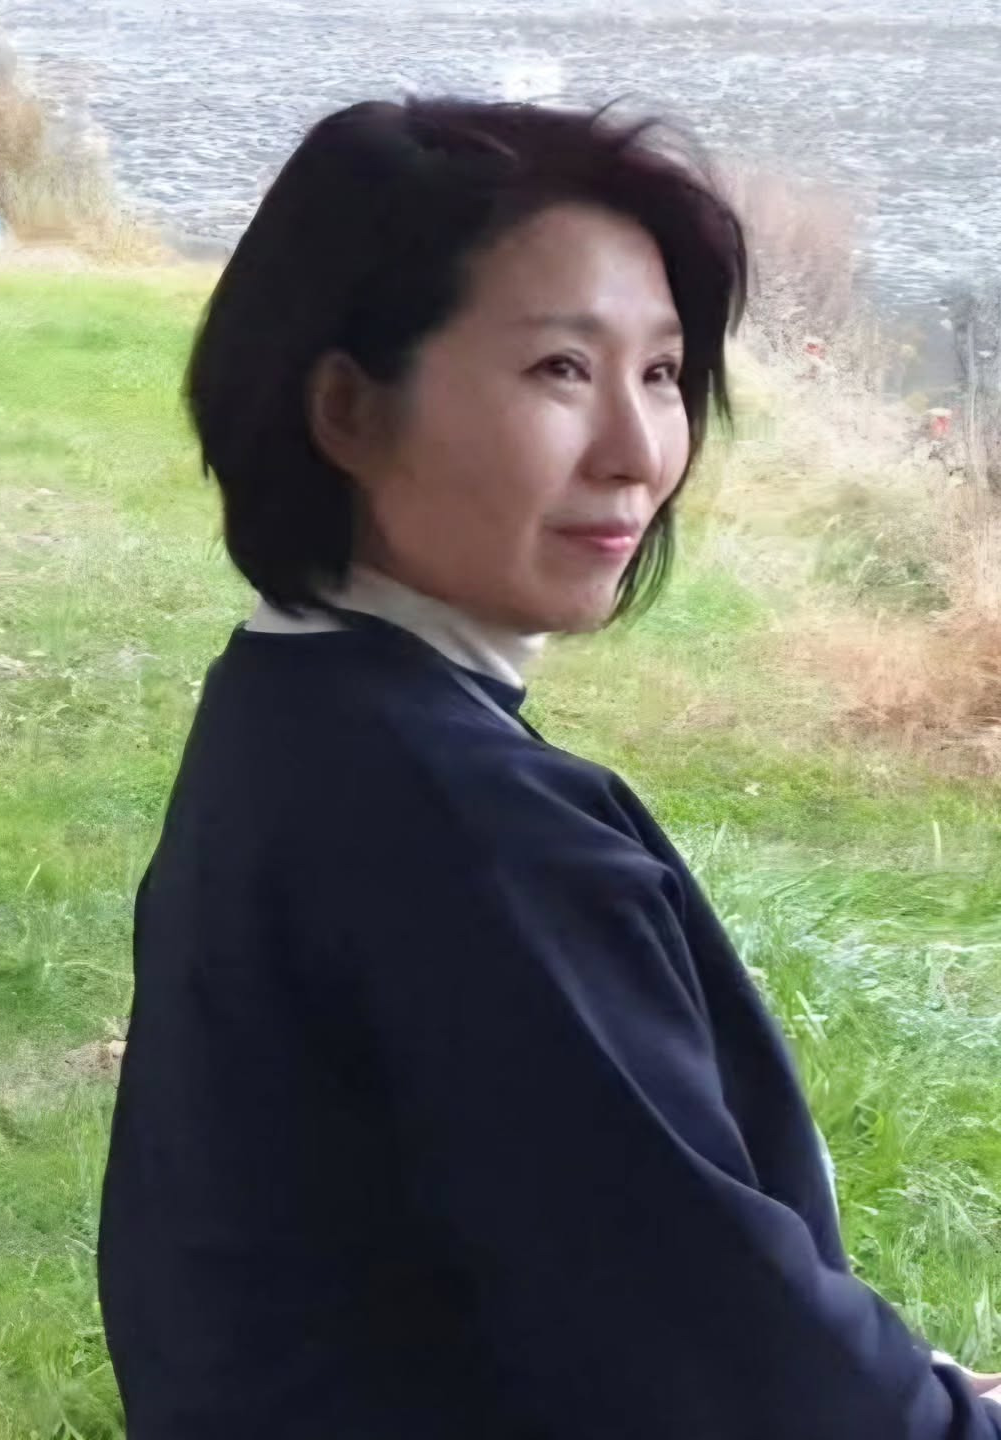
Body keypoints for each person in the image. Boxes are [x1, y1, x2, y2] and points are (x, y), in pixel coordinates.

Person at [96, 96, 1001, 1437]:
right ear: (347, 407)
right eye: (562, 370)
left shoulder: (294, 707)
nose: (639, 454)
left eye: (662, 373)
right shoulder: (465, 829)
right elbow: (722, 1351)